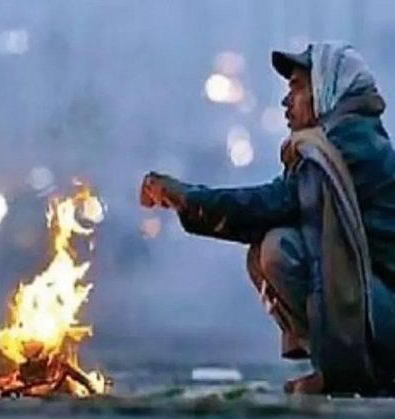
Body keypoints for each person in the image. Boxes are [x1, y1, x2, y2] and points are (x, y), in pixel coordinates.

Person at [141, 42, 395, 395]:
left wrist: (186, 197)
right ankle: (343, 368)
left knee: (280, 248)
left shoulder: (349, 145)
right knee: (271, 246)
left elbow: (273, 204)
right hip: (380, 305)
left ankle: (348, 373)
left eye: (297, 88)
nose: (286, 101)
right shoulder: (336, 139)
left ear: (328, 89)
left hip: (387, 311)